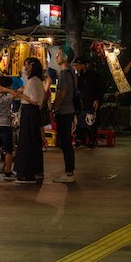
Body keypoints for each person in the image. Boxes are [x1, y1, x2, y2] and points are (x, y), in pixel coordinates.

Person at [0, 57, 46, 183]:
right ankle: (34, 171)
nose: (24, 68)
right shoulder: (34, 80)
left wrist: (20, 95)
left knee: (27, 142)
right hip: (32, 113)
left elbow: (34, 100)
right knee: (31, 142)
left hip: (30, 112)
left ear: (32, 66)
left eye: (26, 65)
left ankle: (27, 174)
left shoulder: (34, 81)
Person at [51, 45, 78, 182]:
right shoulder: (72, 72)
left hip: (65, 111)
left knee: (66, 142)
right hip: (70, 110)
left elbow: (62, 94)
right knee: (66, 141)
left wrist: (54, 108)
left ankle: (69, 173)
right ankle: (69, 171)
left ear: (65, 57)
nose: (57, 56)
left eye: (59, 54)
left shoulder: (64, 74)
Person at [72, 55, 100, 148]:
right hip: (81, 102)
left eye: (77, 65)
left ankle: (92, 140)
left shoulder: (93, 75)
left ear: (82, 65)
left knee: (91, 121)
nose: (76, 67)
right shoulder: (78, 76)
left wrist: (96, 99)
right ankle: (82, 140)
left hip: (90, 101)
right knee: (80, 122)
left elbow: (98, 88)